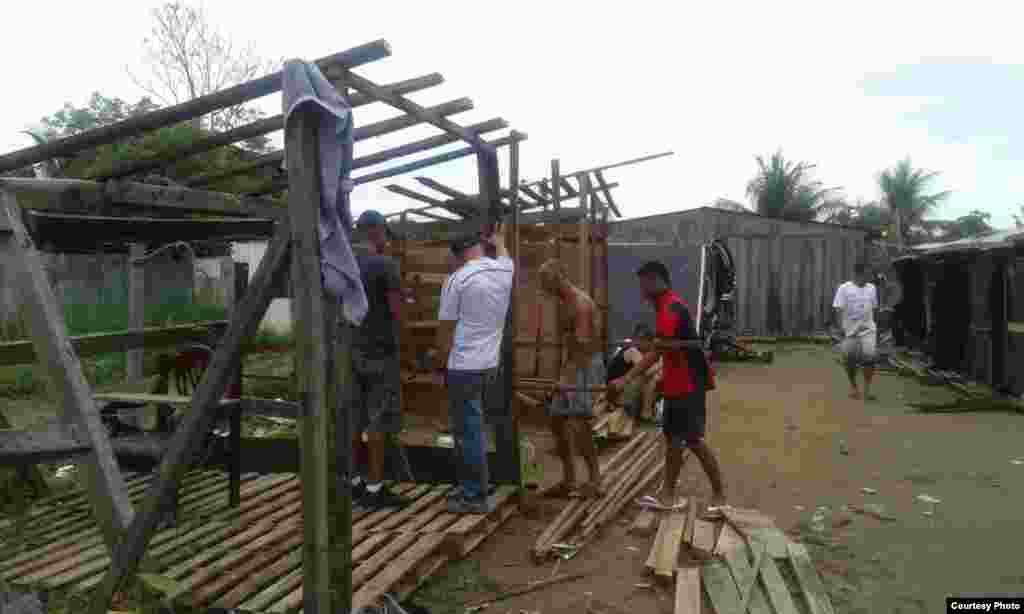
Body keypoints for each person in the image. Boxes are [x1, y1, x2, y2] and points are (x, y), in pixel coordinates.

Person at [609, 260, 726, 511]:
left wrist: (625, 379)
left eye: (644, 284)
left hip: (688, 384)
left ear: (656, 281)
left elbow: (656, 352)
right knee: (673, 439)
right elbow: (663, 350)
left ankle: (719, 495)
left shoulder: (671, 308)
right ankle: (668, 494)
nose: (641, 290)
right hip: (676, 383)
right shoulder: (665, 306)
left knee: (693, 440)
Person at [433, 228, 514, 514]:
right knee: (474, 428)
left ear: (459, 255)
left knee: (468, 431)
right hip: (489, 365)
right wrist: (500, 242)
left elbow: (445, 330)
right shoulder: (505, 270)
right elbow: (504, 254)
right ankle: (475, 484)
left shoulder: (457, 280)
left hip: (463, 366)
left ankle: (474, 495)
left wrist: (439, 363)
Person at [349, 210, 409, 509]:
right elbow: (397, 312)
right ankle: (374, 488)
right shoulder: (385, 264)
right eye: (385, 234)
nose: (386, 240)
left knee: (352, 418)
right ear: (376, 231)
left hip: (349, 351)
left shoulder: (344, 263)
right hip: (380, 354)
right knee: (378, 421)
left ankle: (353, 482)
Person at [536, 260, 605, 498]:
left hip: (586, 365)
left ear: (558, 278)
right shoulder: (563, 302)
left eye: (545, 282)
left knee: (579, 422)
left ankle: (595, 481)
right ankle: (569, 480)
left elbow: (582, 349)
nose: (543, 287)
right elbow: (569, 345)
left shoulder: (579, 304)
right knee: (556, 419)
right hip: (572, 364)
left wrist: (567, 379)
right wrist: (562, 374)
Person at [833, 263, 880, 400]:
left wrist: (876, 327)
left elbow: (875, 308)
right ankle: (853, 386)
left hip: (868, 329)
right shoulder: (844, 288)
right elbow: (838, 309)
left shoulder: (872, 288)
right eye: (867, 274)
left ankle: (867, 388)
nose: (869, 276)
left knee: (869, 357)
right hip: (850, 330)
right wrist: (841, 329)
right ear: (858, 274)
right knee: (849, 358)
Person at [606, 323, 655, 421]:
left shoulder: (639, 351)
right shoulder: (632, 350)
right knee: (649, 379)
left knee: (651, 379)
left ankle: (645, 413)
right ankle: (645, 414)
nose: (649, 345)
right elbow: (647, 371)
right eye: (647, 341)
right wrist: (660, 366)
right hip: (615, 390)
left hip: (622, 388)